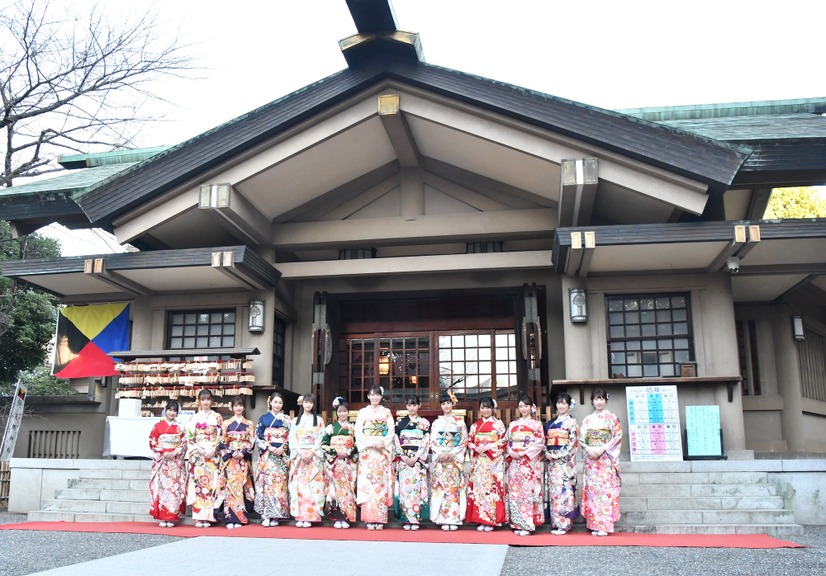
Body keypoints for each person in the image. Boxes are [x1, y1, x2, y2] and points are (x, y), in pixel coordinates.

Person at [580, 388, 623, 536]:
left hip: (605, 459)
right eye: (596, 399)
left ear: (606, 400)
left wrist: (603, 448)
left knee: (605, 492)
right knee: (593, 492)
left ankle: (604, 526)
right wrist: (589, 449)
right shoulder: (587, 420)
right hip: (592, 459)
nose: (599, 402)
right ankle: (594, 524)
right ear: (592, 401)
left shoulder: (612, 418)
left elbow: (617, 437)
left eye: (601, 399)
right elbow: (582, 438)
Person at [354, 385, 395, 530]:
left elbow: (390, 431)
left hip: (381, 453)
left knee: (380, 485)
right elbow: (358, 431)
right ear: (368, 396)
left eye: (377, 395)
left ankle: (380, 518)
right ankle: (369, 518)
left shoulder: (387, 412)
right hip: (367, 453)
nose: (375, 397)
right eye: (372, 395)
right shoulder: (362, 412)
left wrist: (382, 442)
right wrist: (371, 443)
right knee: (368, 484)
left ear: (381, 396)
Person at [506, 395, 545, 536]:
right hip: (515, 463)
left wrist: (525, 452)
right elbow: (508, 442)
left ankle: (527, 525)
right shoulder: (513, 425)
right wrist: (511, 451)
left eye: (526, 406)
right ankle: (517, 523)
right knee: (516, 493)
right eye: (521, 406)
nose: (523, 408)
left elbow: (540, 442)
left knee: (528, 493)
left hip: (529, 463)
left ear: (531, 407)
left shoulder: (536, 424)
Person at [466, 396, 507, 531]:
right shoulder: (475, 426)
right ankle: (480, 519)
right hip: (479, 461)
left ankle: (491, 520)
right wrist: (476, 448)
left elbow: (503, 441)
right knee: (479, 490)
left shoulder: (498, 424)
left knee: (491, 489)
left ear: (492, 409)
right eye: (482, 407)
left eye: (488, 407)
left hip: (492, 462)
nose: (485, 410)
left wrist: (488, 448)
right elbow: (469, 441)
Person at [429, 391, 468, 531]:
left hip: (454, 460)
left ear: (453, 404)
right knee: (442, 488)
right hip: (441, 461)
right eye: (443, 404)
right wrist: (440, 453)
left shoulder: (460, 423)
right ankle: (442, 518)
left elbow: (464, 441)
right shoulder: (437, 423)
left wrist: (452, 453)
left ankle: (454, 518)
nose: (446, 406)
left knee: (454, 489)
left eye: (448, 403)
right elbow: (432, 442)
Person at [185, 388, 223, 528]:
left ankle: (208, 517)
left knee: (211, 485)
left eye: (208, 399)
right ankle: (198, 517)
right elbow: (189, 436)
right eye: (203, 399)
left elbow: (221, 436)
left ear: (211, 401)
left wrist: (214, 449)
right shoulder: (194, 417)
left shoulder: (217, 417)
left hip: (212, 454)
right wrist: (199, 449)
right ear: (199, 401)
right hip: (199, 454)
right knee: (199, 486)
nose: (205, 402)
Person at [288, 393, 325, 527]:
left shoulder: (319, 421)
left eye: (311, 402)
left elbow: (321, 438)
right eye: (306, 402)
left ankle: (311, 516)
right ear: (302, 403)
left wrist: (312, 452)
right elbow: (292, 438)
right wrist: (300, 453)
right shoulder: (295, 421)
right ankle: (301, 517)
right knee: (299, 487)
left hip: (313, 457)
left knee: (313, 486)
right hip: (300, 458)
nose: (308, 405)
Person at [394, 394, 430, 530]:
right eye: (409, 405)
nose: (412, 408)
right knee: (405, 490)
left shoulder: (424, 423)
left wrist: (417, 457)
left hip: (417, 460)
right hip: (404, 460)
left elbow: (426, 440)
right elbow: (396, 440)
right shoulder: (400, 423)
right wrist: (403, 456)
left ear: (419, 405)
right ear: (406, 406)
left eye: (414, 405)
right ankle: (405, 519)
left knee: (416, 489)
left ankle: (415, 519)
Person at [544, 392, 579, 535]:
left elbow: (572, 443)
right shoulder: (550, 423)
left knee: (565, 491)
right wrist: (546, 452)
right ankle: (556, 522)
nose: (561, 406)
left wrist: (558, 455)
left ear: (569, 405)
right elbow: (545, 441)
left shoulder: (572, 423)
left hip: (564, 463)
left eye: (564, 403)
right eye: (559, 403)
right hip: (552, 463)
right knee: (554, 492)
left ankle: (564, 524)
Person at [254, 391, 291, 527]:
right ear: (270, 402)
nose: (277, 405)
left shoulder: (286, 419)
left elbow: (290, 436)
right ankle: (266, 514)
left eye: (280, 402)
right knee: (267, 484)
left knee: (279, 485)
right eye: (275, 402)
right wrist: (269, 447)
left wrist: (283, 447)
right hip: (268, 455)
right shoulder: (263, 418)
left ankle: (277, 514)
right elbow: (258, 436)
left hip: (281, 455)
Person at [148, 400, 186, 527]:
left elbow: (184, 444)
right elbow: (152, 442)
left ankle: (172, 516)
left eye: (174, 410)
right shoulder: (157, 426)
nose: (172, 413)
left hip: (175, 462)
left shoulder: (180, 427)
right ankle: (162, 516)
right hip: (163, 461)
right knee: (162, 488)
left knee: (173, 489)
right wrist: (164, 452)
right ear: (165, 410)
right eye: (169, 410)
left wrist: (175, 452)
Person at [219, 395, 255, 529]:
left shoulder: (249, 424)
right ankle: (229, 518)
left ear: (244, 407)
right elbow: (222, 441)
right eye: (236, 405)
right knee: (230, 488)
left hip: (243, 460)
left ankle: (239, 517)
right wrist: (232, 452)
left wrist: (243, 453)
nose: (238, 408)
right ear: (232, 407)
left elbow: (252, 442)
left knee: (240, 487)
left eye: (240, 405)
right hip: (231, 460)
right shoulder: (226, 424)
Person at [321, 397, 358, 528]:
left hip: (348, 464)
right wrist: (334, 452)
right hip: (335, 463)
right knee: (333, 490)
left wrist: (347, 452)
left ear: (348, 412)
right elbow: (324, 444)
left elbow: (357, 445)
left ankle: (346, 517)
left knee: (348, 490)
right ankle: (336, 518)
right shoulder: (330, 428)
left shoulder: (353, 428)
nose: (342, 413)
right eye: (340, 411)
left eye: (345, 411)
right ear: (336, 413)